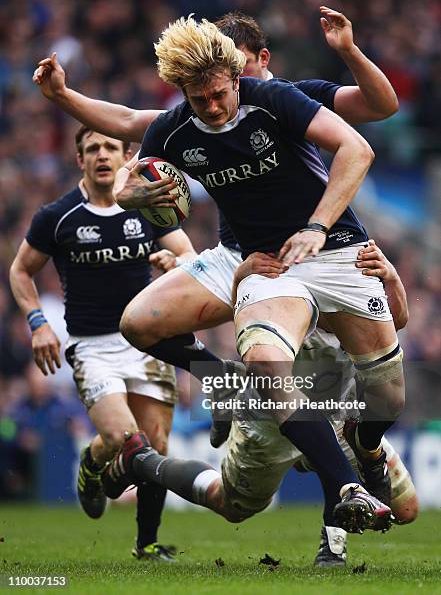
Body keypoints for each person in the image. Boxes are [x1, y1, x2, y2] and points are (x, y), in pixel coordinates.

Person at [33, 8, 401, 533]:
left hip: (320, 251)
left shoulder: (286, 98)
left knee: (381, 392)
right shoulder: (182, 122)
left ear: (245, 68)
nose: (211, 105)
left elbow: (371, 120)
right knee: (142, 323)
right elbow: (125, 127)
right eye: (197, 96)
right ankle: (233, 390)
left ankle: (359, 460)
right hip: (250, 261)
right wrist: (125, 185)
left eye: (225, 86)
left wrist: (347, 49)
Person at [101, 243, 418, 567]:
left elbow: (397, 320)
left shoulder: (347, 254)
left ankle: (334, 537)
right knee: (230, 505)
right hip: (271, 416)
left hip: (335, 411)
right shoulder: (282, 268)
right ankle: (140, 461)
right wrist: (230, 274)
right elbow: (241, 305)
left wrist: (390, 277)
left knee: (405, 509)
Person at [9, 126, 196, 561]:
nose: (101, 155)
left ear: (124, 154)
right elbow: (20, 271)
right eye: (92, 148)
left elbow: (188, 252)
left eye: (110, 146)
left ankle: (146, 544)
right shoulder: (58, 216)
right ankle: (93, 468)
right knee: (121, 438)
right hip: (92, 346)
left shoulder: (148, 207)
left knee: (158, 444)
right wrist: (38, 323)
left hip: (148, 341)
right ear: (80, 159)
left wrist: (176, 261)